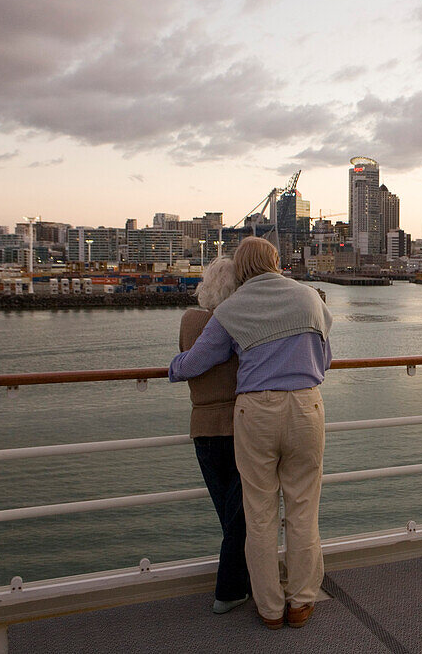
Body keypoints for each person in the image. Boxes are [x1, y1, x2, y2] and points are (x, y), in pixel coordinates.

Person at [169, 237, 332, 630]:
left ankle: (270, 608)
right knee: (303, 509)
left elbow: (196, 362)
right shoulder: (310, 298)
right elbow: (324, 359)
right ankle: (301, 601)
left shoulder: (231, 309)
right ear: (276, 261)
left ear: (241, 268)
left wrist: (173, 367)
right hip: (306, 406)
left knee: (258, 513)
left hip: (256, 412)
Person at [178, 256, 251, 614]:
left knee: (229, 514)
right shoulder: (240, 322)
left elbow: (189, 362)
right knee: (243, 516)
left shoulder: (190, 320)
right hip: (241, 425)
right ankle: (230, 590)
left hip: (203, 428)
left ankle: (243, 583)